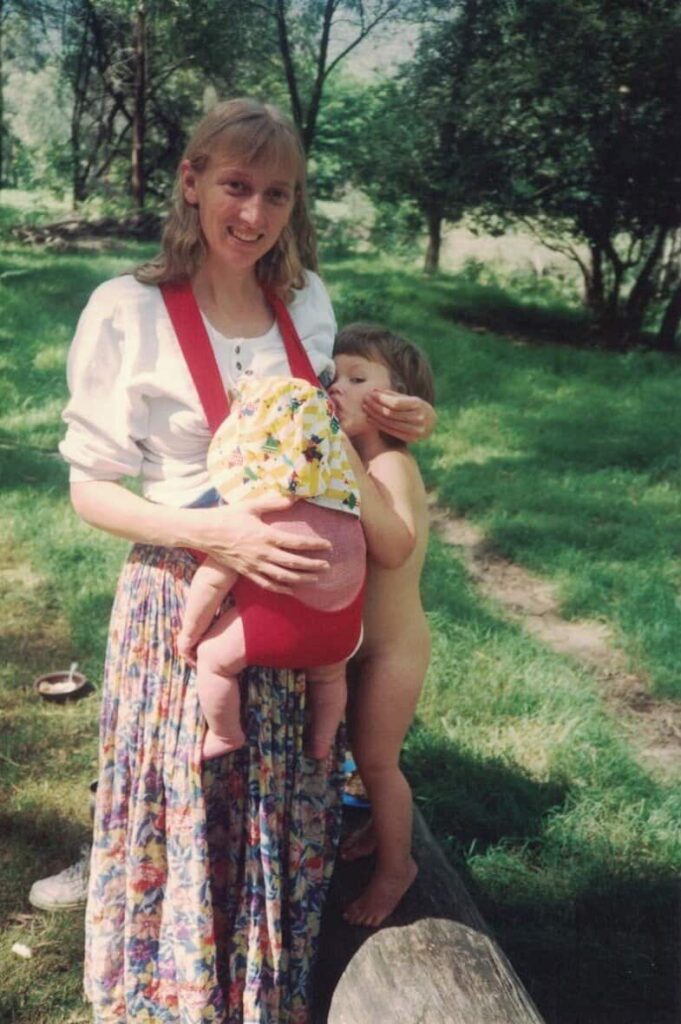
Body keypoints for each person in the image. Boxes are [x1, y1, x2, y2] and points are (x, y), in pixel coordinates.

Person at [55, 97, 435, 1021]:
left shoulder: (302, 301)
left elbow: (313, 437)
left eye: (276, 193)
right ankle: (167, 995)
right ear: (190, 183)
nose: (253, 214)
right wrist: (214, 534)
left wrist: (400, 433)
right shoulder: (126, 309)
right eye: (234, 185)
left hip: (295, 605)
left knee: (274, 817)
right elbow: (90, 489)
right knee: (185, 804)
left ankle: (256, 992)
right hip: (184, 592)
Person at [178, 375, 366, 761]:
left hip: (280, 627)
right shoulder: (347, 509)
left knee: (214, 661)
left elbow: (211, 582)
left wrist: (189, 635)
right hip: (341, 630)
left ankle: (226, 734)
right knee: (330, 676)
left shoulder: (257, 514)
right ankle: (322, 740)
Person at [329, 324, 434, 929]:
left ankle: (399, 870)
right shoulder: (362, 460)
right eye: (333, 377)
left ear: (396, 402)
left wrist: (352, 471)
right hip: (355, 648)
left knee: (377, 761)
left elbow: (394, 548)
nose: (337, 389)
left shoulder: (391, 465)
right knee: (357, 753)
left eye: (358, 378)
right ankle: (377, 828)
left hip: (393, 651)